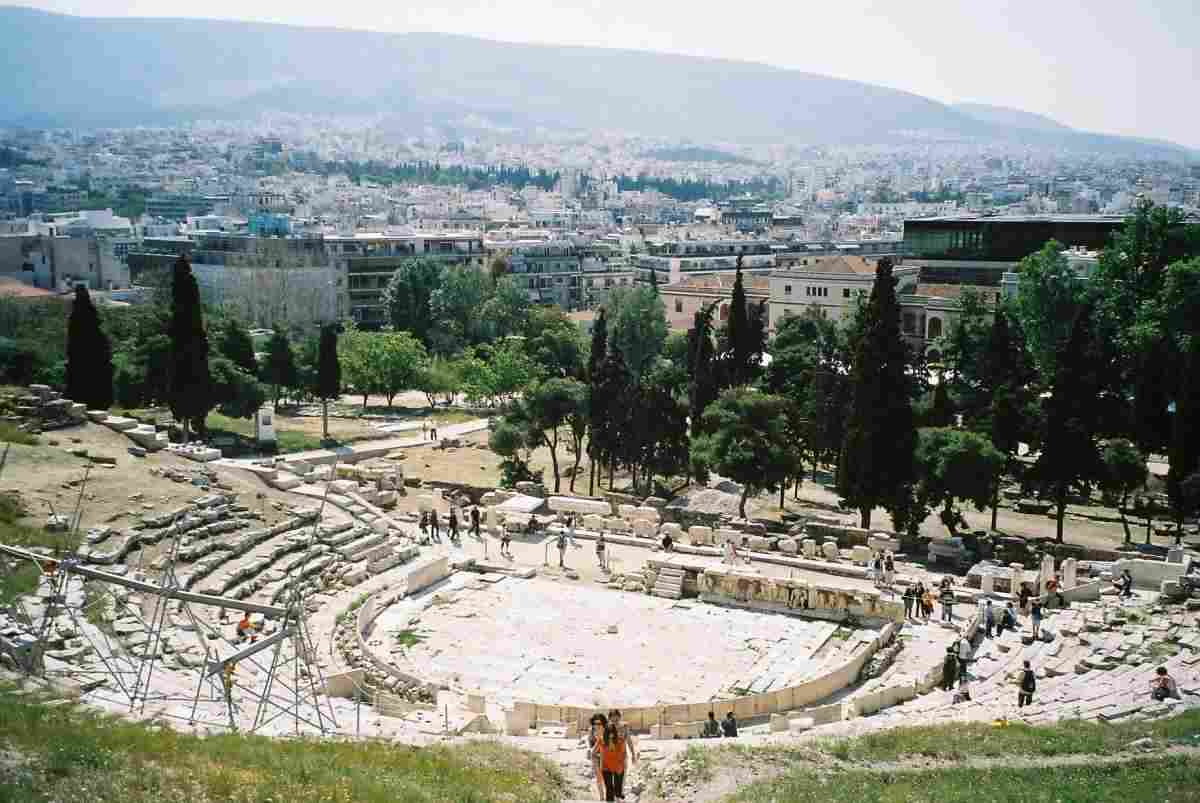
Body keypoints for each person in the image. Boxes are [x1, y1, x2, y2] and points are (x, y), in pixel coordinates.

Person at [599, 709, 636, 801]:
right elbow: (602, 744)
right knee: (609, 787)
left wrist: (633, 754)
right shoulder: (606, 728)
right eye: (612, 716)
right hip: (607, 760)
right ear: (610, 718)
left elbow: (629, 741)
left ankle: (619, 796)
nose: (614, 718)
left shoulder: (624, 727)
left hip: (620, 759)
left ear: (620, 717)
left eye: (616, 716)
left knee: (618, 784)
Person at [587, 713, 608, 799]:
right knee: (599, 777)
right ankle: (602, 797)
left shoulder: (607, 730)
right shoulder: (591, 731)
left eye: (599, 723)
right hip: (595, 756)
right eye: (595, 723)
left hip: (606, 756)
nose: (597, 725)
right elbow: (590, 743)